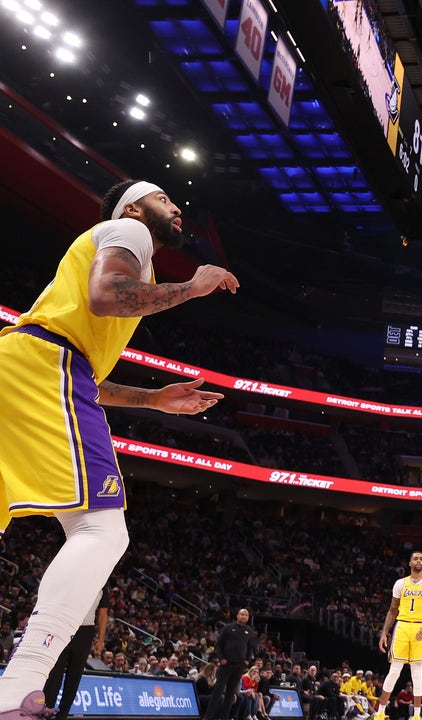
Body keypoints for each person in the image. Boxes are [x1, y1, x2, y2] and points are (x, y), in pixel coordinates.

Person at [0, 179, 238, 719]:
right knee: (101, 527)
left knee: (86, 529)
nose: (177, 208)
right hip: (42, 369)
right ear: (134, 207)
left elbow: (90, 378)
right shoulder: (128, 230)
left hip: (29, 367)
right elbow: (106, 298)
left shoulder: (121, 250)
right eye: (164, 199)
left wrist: (153, 399)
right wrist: (193, 287)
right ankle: (17, 688)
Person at [373, 552, 422, 720]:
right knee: (394, 670)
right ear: (410, 562)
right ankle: (380, 712)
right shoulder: (400, 583)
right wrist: (384, 632)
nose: (418, 561)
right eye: (415, 558)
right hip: (402, 626)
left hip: (420, 628)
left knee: (417, 672)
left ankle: (417, 716)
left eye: (421, 559)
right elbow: (392, 610)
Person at [41, 587, 108, 720]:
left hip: (86, 631)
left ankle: (62, 715)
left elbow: (103, 614)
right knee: (55, 674)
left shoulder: (102, 584)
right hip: (63, 627)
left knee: (74, 676)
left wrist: (100, 640)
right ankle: (45, 712)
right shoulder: (74, 576)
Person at [205, 609, 258, 720]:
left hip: (239, 665)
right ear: (237, 615)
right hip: (226, 663)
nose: (244, 616)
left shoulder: (249, 631)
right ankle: (208, 717)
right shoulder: (228, 628)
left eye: (246, 615)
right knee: (218, 691)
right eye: (242, 614)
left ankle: (224, 717)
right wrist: (221, 658)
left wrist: (247, 661)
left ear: (248, 617)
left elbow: (250, 647)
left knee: (231, 693)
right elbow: (219, 644)